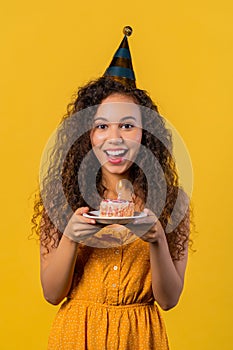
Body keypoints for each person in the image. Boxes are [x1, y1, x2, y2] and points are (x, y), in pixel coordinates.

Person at [32, 27, 191, 349]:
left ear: (145, 134)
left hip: (140, 336)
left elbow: (169, 300)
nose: (114, 137)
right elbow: (51, 294)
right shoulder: (61, 197)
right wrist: (71, 238)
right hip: (77, 335)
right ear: (86, 136)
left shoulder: (173, 201)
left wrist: (158, 238)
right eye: (101, 126)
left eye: (127, 126)